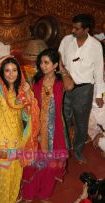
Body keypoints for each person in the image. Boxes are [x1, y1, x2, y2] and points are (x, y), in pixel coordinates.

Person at [0, 56, 40, 203]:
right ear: (2, 72)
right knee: (4, 175)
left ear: (19, 72)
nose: (11, 74)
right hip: (1, 138)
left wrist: (28, 94)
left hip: (17, 137)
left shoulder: (22, 91)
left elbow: (28, 115)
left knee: (16, 173)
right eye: (7, 70)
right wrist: (1, 60)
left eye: (14, 70)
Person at [18, 48, 68, 203]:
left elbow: (71, 86)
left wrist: (62, 68)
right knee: (32, 163)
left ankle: (44, 194)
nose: (43, 66)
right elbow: (29, 104)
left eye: (47, 63)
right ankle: (27, 195)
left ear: (55, 65)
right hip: (36, 129)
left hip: (55, 130)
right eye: (41, 62)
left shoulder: (61, 82)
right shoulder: (36, 81)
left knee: (50, 164)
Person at [59, 13, 104, 164]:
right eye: (72, 27)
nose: (73, 30)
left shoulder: (95, 46)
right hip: (65, 87)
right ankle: (64, 149)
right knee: (63, 120)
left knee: (81, 122)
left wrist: (99, 94)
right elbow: (58, 59)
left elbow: (98, 72)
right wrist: (63, 76)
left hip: (84, 90)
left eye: (77, 28)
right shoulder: (66, 40)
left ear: (87, 29)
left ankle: (77, 151)